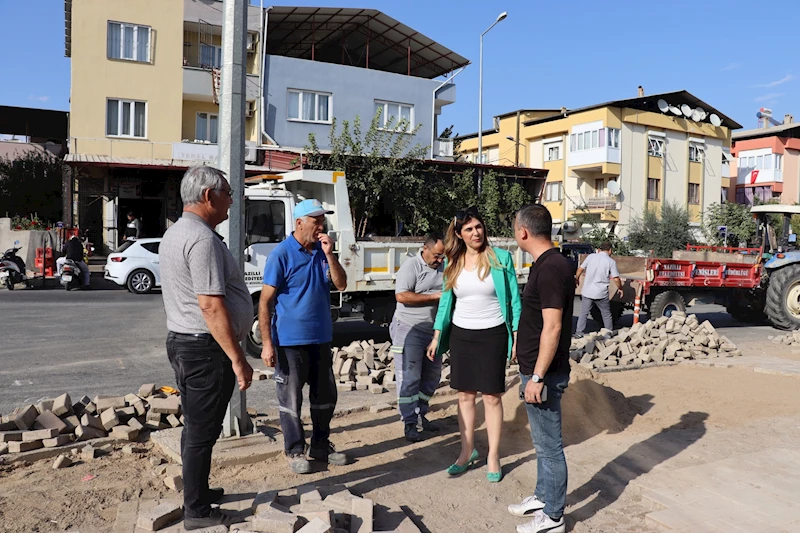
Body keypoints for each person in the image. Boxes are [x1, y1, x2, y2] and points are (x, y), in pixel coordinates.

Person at [159, 166, 254, 530]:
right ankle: (196, 511)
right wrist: (238, 358)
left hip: (188, 344)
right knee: (201, 432)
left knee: (197, 428)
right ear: (209, 196)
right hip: (205, 350)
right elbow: (210, 305)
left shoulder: (178, 232)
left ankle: (197, 492)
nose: (232, 200)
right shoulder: (200, 239)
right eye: (228, 193)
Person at [426, 207, 521, 483]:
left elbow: (515, 299)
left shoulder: (501, 259)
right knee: (465, 396)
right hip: (461, 336)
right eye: (468, 229)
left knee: (492, 397)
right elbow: (446, 302)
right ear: (459, 234)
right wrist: (436, 335)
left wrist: (515, 335)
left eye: (478, 227)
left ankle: (493, 455)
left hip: (493, 335)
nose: (475, 232)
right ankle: (467, 452)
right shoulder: (452, 262)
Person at [258, 198, 349, 474]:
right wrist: (266, 344)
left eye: (322, 220)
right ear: (299, 223)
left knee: (325, 397)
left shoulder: (323, 252)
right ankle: (295, 450)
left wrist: (330, 254)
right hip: (289, 342)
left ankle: (321, 445)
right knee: (291, 400)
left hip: (320, 338)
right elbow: (264, 302)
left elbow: (341, 284)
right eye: (316, 220)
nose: (321, 226)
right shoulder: (281, 255)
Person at [507, 204, 574, 533]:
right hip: (536, 368)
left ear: (523, 232)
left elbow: (553, 327)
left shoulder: (550, 268)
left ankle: (553, 518)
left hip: (543, 374)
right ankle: (543, 496)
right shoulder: (549, 263)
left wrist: (536, 376)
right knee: (542, 443)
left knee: (549, 445)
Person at [391, 231, 445, 442]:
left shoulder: (444, 267)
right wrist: (434, 296)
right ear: (425, 249)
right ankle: (409, 422)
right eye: (437, 256)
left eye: (442, 256)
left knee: (432, 376)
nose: (440, 260)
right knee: (410, 377)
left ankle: (421, 415)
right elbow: (401, 295)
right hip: (409, 328)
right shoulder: (411, 266)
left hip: (433, 332)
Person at [574, 241, 622, 338]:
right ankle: (608, 333)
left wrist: (577, 279)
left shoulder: (591, 257)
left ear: (599, 249)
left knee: (584, 313)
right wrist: (620, 288)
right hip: (601, 293)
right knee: (606, 314)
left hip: (587, 291)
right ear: (610, 251)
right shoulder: (611, 262)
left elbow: (580, 269)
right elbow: (616, 278)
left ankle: (579, 333)